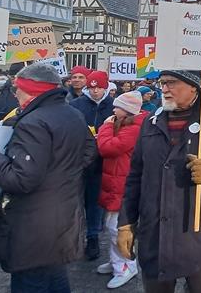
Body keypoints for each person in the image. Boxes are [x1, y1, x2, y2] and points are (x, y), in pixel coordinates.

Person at [0, 62, 92, 292]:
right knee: (54, 276)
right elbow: (89, 152)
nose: (15, 96)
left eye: (18, 90)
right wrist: (58, 173)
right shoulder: (73, 113)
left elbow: (21, 179)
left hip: (35, 221)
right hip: (63, 213)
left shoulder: (33, 121)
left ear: (32, 90)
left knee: (31, 280)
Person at [117, 69, 201, 292]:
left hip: (197, 235)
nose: (163, 89)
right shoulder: (151, 122)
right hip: (154, 234)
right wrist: (126, 223)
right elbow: (136, 175)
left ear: (193, 86)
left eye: (171, 83)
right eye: (162, 83)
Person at [96, 91, 147, 289]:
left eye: (117, 107)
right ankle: (117, 259)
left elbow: (108, 147)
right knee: (112, 225)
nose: (113, 110)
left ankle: (126, 266)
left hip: (122, 182)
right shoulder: (128, 124)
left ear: (127, 110)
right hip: (116, 181)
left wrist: (106, 126)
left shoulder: (133, 129)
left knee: (116, 227)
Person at [70, 70, 115, 260]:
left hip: (102, 162)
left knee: (95, 202)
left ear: (105, 88)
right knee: (76, 201)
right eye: (92, 88)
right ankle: (73, 237)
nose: (95, 92)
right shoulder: (75, 105)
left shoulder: (114, 106)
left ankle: (93, 236)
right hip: (79, 160)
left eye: (99, 88)